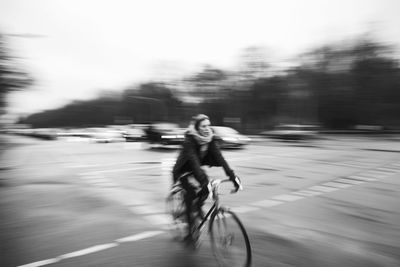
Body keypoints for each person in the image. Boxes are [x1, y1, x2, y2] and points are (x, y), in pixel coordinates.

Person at [172, 114, 242, 245]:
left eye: (208, 125)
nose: (206, 128)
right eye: (203, 126)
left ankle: (197, 207)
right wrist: (204, 182)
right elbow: (193, 161)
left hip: (196, 169)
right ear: (197, 127)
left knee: (205, 188)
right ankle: (189, 234)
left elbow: (221, 159)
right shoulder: (190, 140)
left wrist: (233, 177)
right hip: (183, 170)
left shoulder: (210, 138)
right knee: (191, 193)